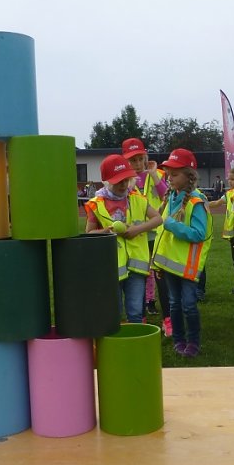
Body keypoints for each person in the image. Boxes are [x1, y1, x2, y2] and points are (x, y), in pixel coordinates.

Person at [85, 154, 162, 326]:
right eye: (118, 181)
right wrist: (107, 231)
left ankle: (135, 345)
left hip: (136, 265)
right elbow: (89, 233)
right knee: (115, 310)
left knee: (135, 311)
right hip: (111, 267)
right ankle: (116, 346)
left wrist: (137, 229)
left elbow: (158, 219)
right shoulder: (96, 204)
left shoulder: (137, 198)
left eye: (126, 180)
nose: (123, 185)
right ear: (106, 181)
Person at [151, 148, 212, 358]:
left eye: (175, 174)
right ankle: (178, 339)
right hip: (170, 266)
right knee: (174, 304)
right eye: (168, 173)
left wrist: (171, 225)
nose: (170, 177)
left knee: (188, 305)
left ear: (190, 176)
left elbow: (199, 234)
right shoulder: (171, 198)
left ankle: (193, 341)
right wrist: (157, 264)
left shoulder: (197, 202)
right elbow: (161, 235)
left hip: (187, 267)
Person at [121, 138, 172, 332]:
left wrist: (154, 175)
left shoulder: (156, 174)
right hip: (136, 237)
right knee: (138, 275)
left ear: (145, 158)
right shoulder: (124, 179)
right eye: (131, 160)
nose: (136, 164)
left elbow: (166, 195)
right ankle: (139, 317)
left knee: (161, 277)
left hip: (156, 234)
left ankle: (168, 319)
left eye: (139, 159)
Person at [208, 167, 234, 294]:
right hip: (233, 235)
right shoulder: (229, 194)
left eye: (233, 179)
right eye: (229, 179)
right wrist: (204, 203)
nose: (230, 182)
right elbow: (218, 203)